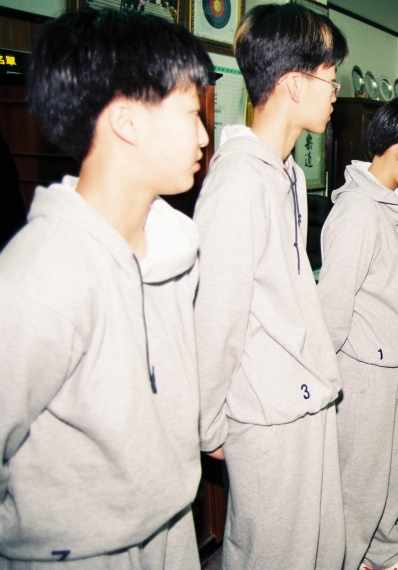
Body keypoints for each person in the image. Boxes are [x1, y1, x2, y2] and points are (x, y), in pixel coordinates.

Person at [0, 9, 210, 569]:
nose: (204, 134)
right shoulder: (40, 275)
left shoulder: (174, 247)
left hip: (170, 534)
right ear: (127, 122)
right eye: (191, 113)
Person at [192, 4, 348, 569]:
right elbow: (216, 317)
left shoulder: (285, 172)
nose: (336, 94)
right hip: (265, 411)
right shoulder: (238, 182)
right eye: (330, 80)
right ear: (291, 83)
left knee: (318, 545)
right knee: (271, 553)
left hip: (303, 396)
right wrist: (209, 422)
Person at [317, 96, 398, 570]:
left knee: (393, 470)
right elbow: (331, 310)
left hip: (395, 361)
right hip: (365, 370)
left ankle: (381, 550)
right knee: (361, 483)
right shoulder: (357, 214)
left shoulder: (392, 205)